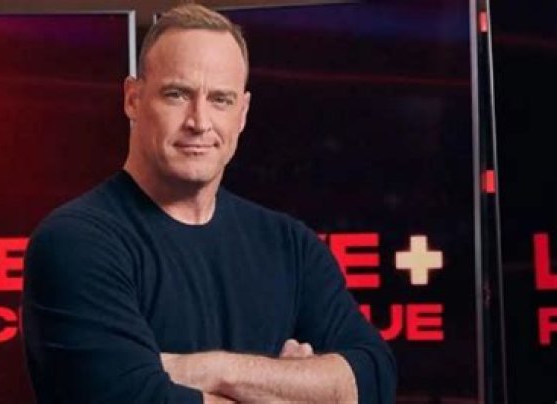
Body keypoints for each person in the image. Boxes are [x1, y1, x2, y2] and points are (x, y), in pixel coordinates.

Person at [21, 3, 396, 403]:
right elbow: (134, 396)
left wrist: (211, 369)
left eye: (220, 99)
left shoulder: (290, 246)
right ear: (133, 98)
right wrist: (291, 386)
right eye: (177, 94)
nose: (199, 121)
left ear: (243, 113)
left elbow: (374, 380)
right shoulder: (76, 242)